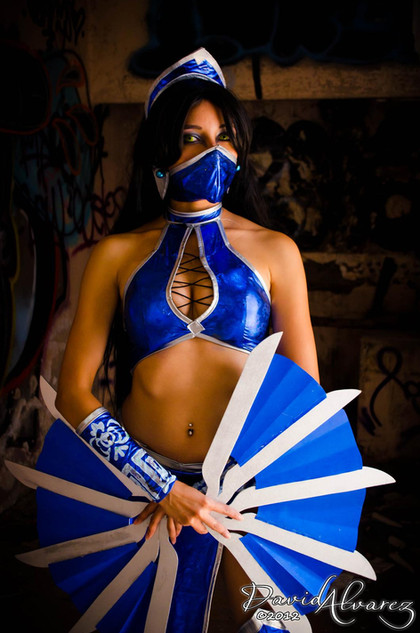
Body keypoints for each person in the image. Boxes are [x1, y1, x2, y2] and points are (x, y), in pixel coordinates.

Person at [55, 48, 319, 633]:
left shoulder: (277, 251)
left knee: (265, 626)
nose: (213, 153)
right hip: (138, 490)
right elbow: (73, 390)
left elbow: (305, 394)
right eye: (192, 138)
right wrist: (159, 483)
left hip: (248, 492)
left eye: (224, 138)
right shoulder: (115, 254)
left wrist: (254, 488)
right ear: (160, 153)